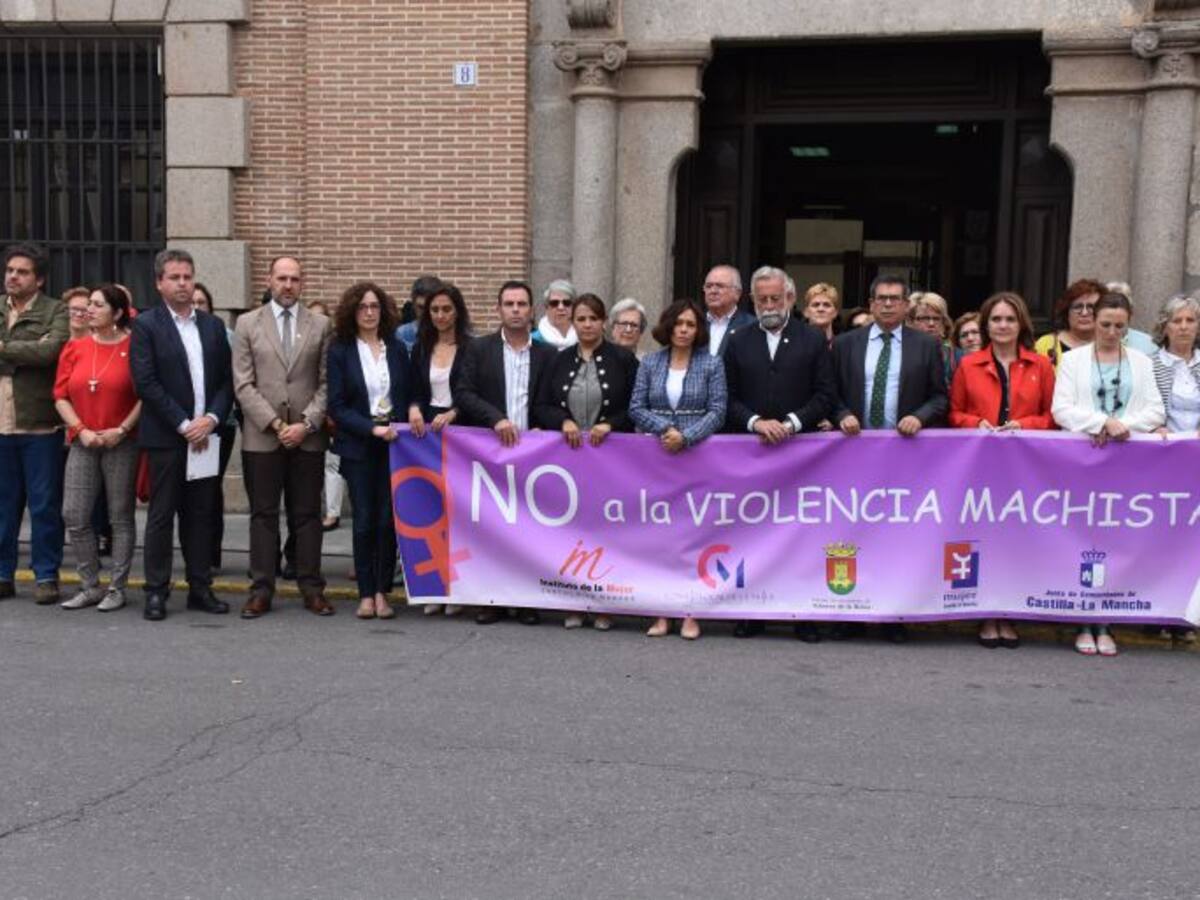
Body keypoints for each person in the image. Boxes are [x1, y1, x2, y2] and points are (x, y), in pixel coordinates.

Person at [831, 275, 947, 642]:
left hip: (904, 456)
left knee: (896, 536)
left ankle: (893, 615)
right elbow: (828, 392)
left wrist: (921, 417)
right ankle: (849, 612)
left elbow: (940, 398)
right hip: (854, 454)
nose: (887, 305)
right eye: (880, 298)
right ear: (870, 302)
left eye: (895, 299)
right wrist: (841, 414)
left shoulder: (926, 346)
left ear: (905, 305)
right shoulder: (846, 344)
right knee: (853, 532)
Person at [725, 267, 835, 642]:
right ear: (752, 301)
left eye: (775, 298)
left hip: (801, 456)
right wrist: (756, 422)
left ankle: (802, 614)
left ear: (790, 297)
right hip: (753, 455)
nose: (769, 305)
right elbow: (727, 397)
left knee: (800, 537)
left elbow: (825, 396)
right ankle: (753, 611)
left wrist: (790, 423)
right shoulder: (738, 340)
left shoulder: (811, 339)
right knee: (755, 536)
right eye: (761, 300)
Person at [1052, 292, 1164, 657]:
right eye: (1105, 325)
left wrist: (1121, 426)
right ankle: (1083, 621)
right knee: (1083, 538)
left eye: (1120, 326)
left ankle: (1106, 620)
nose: (1112, 332)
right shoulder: (1072, 361)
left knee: (1116, 541)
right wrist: (1101, 422)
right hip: (1084, 460)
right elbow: (1061, 409)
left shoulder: (1143, 363)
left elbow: (1154, 410)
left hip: (1125, 461)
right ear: (1093, 321)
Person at [130, 248, 234, 621]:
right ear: (159, 283)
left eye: (188, 277)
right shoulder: (146, 326)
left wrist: (210, 418)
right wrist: (183, 423)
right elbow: (146, 383)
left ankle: (200, 587)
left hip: (206, 436)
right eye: (174, 278)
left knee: (201, 514)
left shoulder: (212, 326)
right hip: (167, 437)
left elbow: (226, 381)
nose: (183, 284)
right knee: (161, 516)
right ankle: (156, 591)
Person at [949, 291, 1056, 650]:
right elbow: (954, 414)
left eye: (1010, 319)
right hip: (981, 465)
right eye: (996, 319)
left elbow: (1052, 417)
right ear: (986, 325)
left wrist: (1024, 425)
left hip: (1025, 466)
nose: (1003, 326)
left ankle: (1007, 611)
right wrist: (975, 423)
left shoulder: (1040, 366)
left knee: (1016, 537)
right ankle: (986, 612)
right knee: (981, 536)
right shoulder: (968, 364)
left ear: (1021, 323)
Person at [233, 256, 334, 620]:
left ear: (302, 283)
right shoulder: (247, 323)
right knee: (263, 515)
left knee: (306, 515)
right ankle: (261, 589)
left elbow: (326, 382)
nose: (288, 285)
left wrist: (306, 424)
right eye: (282, 278)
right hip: (262, 437)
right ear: (270, 280)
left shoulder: (321, 325)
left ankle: (311, 588)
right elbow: (243, 384)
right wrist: (276, 424)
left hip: (307, 437)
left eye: (294, 279)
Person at [534, 292, 639, 631]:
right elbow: (542, 405)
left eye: (593, 318)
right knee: (572, 532)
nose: (587, 324)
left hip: (611, 460)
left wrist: (611, 424)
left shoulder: (624, 359)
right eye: (581, 319)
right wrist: (562, 421)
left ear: (604, 321)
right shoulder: (557, 359)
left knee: (607, 531)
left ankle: (606, 603)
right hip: (569, 460)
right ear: (573, 322)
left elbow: (636, 405)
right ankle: (575, 600)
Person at [456, 280, 556, 625]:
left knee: (529, 529)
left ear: (532, 311)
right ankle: (491, 598)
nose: (515, 310)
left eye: (522, 304)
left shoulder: (547, 355)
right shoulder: (478, 349)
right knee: (491, 528)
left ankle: (526, 599)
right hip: (490, 454)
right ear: (498, 309)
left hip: (533, 455)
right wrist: (495, 418)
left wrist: (547, 425)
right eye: (509, 304)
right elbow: (464, 394)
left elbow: (550, 402)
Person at [630, 298, 726, 640]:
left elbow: (718, 411)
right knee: (660, 537)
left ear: (698, 330)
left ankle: (690, 612)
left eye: (690, 325)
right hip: (656, 457)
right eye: (678, 324)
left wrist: (686, 437)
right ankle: (660, 612)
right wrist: (664, 431)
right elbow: (636, 407)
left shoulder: (712, 364)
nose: (684, 330)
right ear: (668, 327)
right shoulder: (650, 363)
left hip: (696, 456)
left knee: (693, 536)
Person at [53, 284, 141, 611]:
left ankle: (117, 588)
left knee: (120, 517)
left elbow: (145, 394)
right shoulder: (75, 348)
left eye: (98, 305)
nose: (89, 309)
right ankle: (89, 585)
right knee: (74, 514)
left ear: (117, 313)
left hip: (121, 442)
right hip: (83, 441)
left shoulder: (133, 347)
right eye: (88, 304)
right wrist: (80, 429)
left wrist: (122, 429)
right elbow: (60, 395)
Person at [328, 282, 411, 621]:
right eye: (362, 306)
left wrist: (409, 415)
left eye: (374, 306)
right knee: (363, 520)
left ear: (384, 310)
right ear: (352, 311)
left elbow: (408, 392)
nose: (369, 312)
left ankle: (382, 592)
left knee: (387, 521)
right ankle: (365, 593)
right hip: (360, 446)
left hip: (394, 445)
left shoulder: (397, 347)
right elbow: (337, 405)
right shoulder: (340, 350)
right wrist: (369, 427)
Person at [0, 243, 70, 604]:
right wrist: (24, 351)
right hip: (1, 425)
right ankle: (2, 574)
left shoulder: (55, 310)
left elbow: (50, 352)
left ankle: (46, 576)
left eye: (22, 271)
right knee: (3, 506)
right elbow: (35, 352)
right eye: (10, 270)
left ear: (39, 279)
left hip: (39, 426)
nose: (13, 276)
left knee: (44, 505)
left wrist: (3, 349)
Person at [407, 281, 473, 617]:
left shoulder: (472, 347)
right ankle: (434, 586)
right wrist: (415, 407)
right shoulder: (421, 347)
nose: (441, 315)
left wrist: (455, 412)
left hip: (459, 432)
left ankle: (459, 588)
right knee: (430, 512)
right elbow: (412, 389)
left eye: (447, 309)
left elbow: (473, 390)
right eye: (434, 310)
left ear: (457, 311)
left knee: (458, 512)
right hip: (425, 434)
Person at [1149, 292, 1200, 642]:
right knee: (1165, 536)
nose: (1183, 327)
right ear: (1164, 326)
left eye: (1190, 321)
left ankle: (1189, 612)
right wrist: (1155, 426)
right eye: (1176, 321)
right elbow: (1146, 405)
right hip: (1164, 461)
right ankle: (1160, 609)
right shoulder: (1150, 363)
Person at [191, 281, 239, 572]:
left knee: (209, 489)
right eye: (192, 303)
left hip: (219, 424)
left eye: (201, 303)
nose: (196, 307)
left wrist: (212, 417)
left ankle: (211, 554)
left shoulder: (224, 334)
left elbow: (230, 379)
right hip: (184, 425)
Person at [306, 298, 345, 531]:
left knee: (332, 465)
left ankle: (332, 512)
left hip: (329, 413)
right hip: (306, 413)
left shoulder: (335, 345)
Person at [1035, 278, 1104, 370]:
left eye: (1091, 307)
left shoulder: (1113, 346)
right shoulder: (1045, 345)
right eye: (1077, 307)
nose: (1084, 313)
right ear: (1067, 312)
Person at [702, 264, 754, 356]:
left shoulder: (752, 326)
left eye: (720, 286)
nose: (713, 291)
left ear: (737, 293)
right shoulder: (695, 323)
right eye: (709, 286)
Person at [908, 291, 959, 384]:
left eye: (936, 318)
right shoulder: (900, 352)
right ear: (911, 322)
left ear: (944, 324)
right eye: (924, 318)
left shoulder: (957, 357)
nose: (931, 324)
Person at [395, 274, 441, 352]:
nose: (426, 313)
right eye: (421, 307)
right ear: (413, 305)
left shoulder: (455, 336)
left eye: (432, 307)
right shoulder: (403, 334)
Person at [534, 278, 578, 349]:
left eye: (566, 303)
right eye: (554, 303)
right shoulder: (533, 340)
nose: (561, 307)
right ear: (546, 307)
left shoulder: (583, 337)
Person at [802, 282, 841, 347]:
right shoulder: (794, 345)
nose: (821, 309)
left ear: (835, 313)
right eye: (815, 305)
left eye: (827, 305)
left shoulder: (844, 346)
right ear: (806, 312)